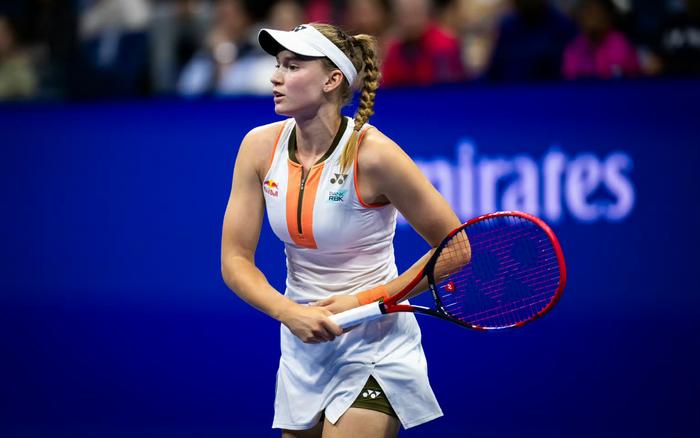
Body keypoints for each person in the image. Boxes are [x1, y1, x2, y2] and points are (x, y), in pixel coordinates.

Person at [220, 22, 465, 437]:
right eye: (278, 64)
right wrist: (289, 312)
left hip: (375, 345)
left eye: (293, 66)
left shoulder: (375, 155)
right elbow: (235, 259)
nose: (276, 77)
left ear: (332, 80)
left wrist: (362, 301)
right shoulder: (258, 147)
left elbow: (457, 248)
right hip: (303, 345)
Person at [562, 0, 640, 80]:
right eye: (587, 11)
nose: (591, 17)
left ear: (608, 16)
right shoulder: (574, 47)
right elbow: (570, 78)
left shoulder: (620, 45)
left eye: (596, 11)